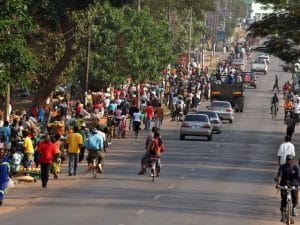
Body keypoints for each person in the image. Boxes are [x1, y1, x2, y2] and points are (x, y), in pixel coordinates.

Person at [275, 155, 300, 221]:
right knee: (283, 197)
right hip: (284, 182)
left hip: (294, 182)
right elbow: (279, 176)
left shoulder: (296, 167)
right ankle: (283, 214)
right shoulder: (282, 167)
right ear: (286, 160)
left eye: (290, 160)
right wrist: (278, 184)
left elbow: (299, 176)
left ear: (292, 161)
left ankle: (294, 207)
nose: (289, 161)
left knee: (295, 198)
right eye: (287, 160)